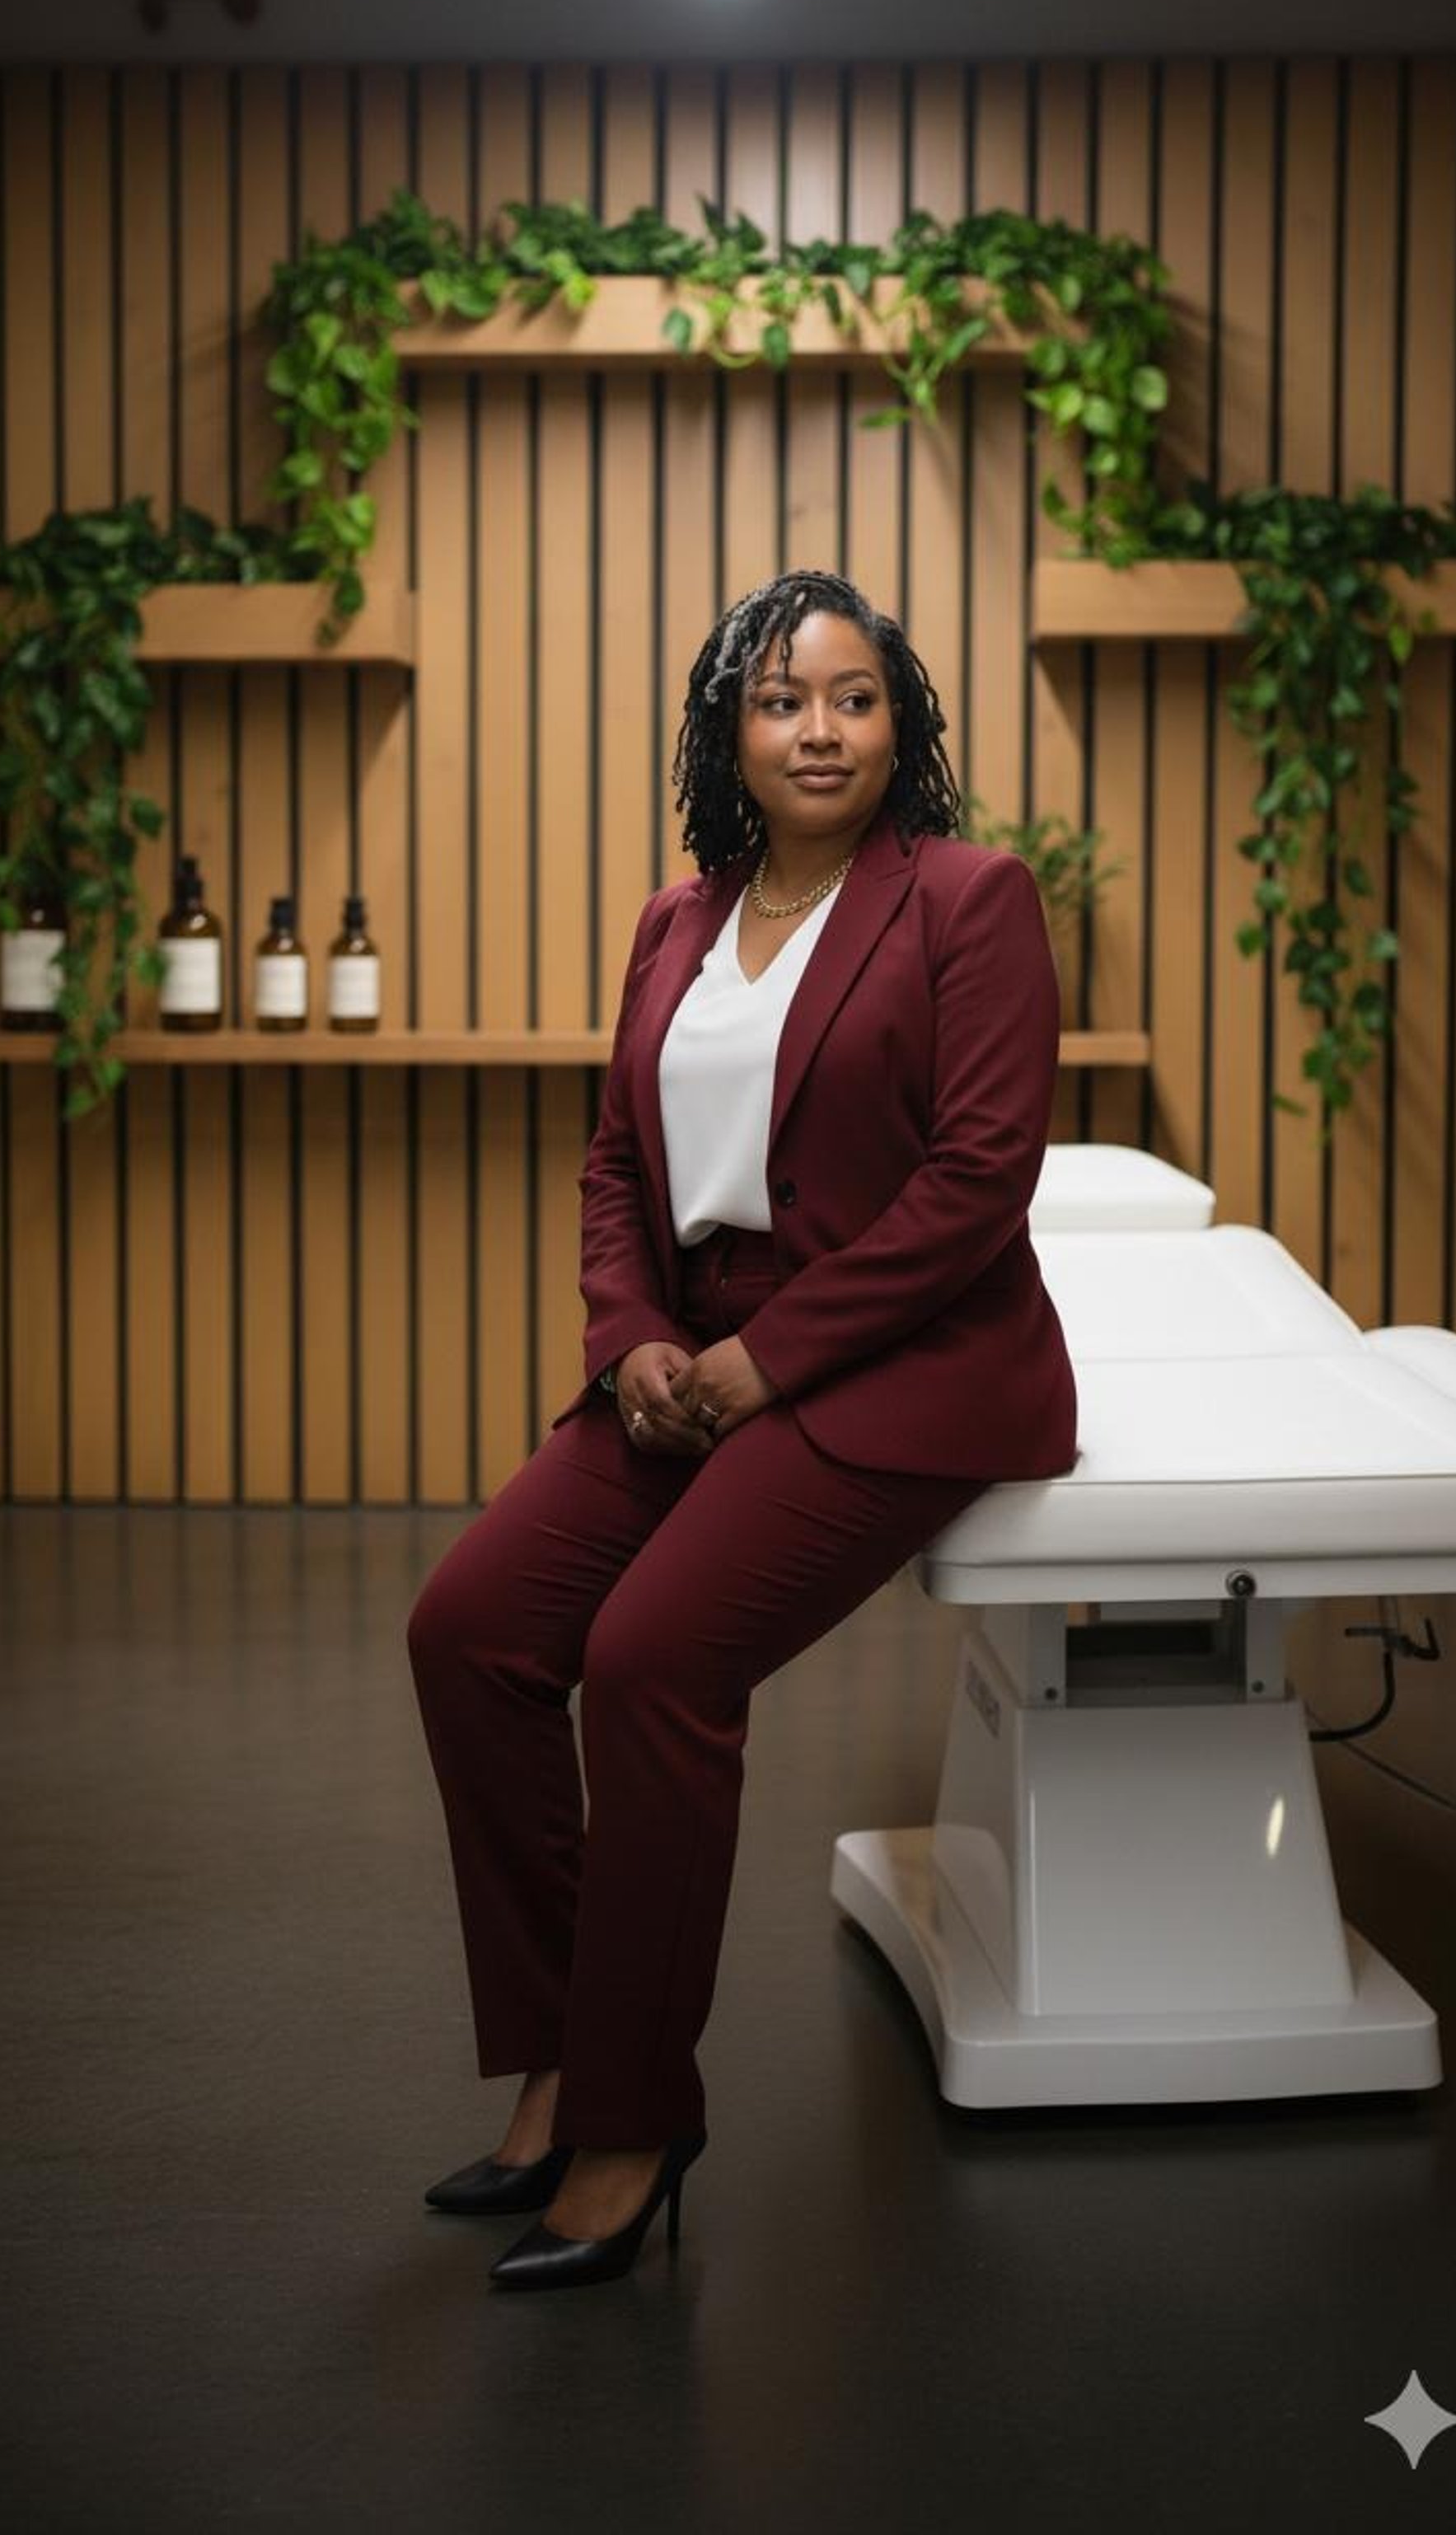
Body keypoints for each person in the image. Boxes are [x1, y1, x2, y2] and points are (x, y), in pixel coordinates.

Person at [406, 568, 1077, 2293]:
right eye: (782, 700)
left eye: (853, 696)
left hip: (899, 1364)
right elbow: (620, 1167)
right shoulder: (674, 924)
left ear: (901, 719)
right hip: (689, 1357)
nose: (820, 728)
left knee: (647, 1664)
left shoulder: (968, 899)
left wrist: (769, 1361)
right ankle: (563, 2063)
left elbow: (978, 1185)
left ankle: (635, 2122)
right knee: (472, 1632)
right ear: (731, 730)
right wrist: (631, 1338)